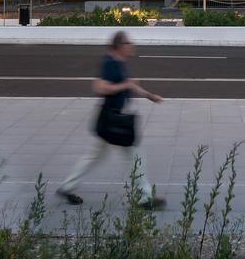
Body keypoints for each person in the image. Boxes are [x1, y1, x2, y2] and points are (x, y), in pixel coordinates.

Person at [57, 30, 166, 209]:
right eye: (128, 43)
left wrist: (149, 96)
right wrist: (126, 85)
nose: (131, 46)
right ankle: (145, 198)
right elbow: (100, 87)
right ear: (119, 46)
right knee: (135, 156)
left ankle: (67, 187)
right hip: (113, 119)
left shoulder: (118, 62)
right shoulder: (109, 62)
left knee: (94, 156)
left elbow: (129, 84)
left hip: (112, 119)